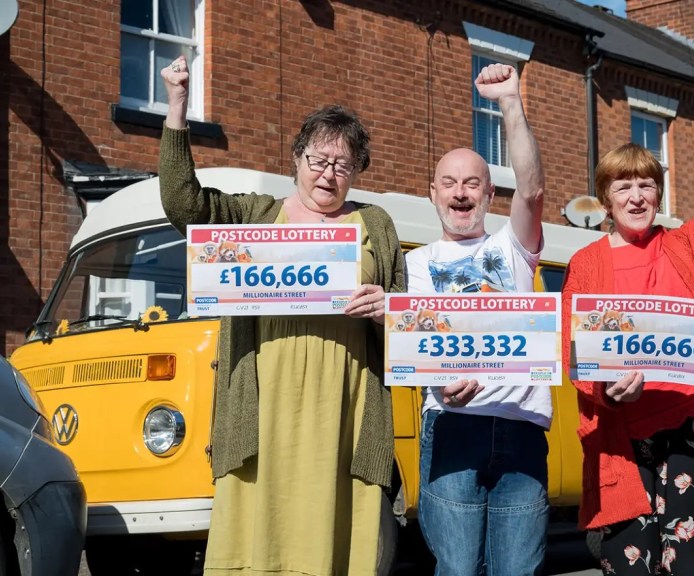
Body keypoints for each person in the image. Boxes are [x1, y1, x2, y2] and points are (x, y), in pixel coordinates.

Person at [158, 56, 405, 576]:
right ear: (296, 158)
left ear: (357, 171)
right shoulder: (255, 215)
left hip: (346, 410)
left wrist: (389, 310)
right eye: (319, 159)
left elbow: (412, 323)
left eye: (343, 164)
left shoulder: (375, 225)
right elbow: (183, 204)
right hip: (263, 407)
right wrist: (178, 104)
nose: (329, 174)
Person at [561, 78, 694, 576]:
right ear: (605, 199)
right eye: (623, 186)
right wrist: (608, 390)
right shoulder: (586, 263)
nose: (636, 196)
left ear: (659, 191)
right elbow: (574, 353)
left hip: (692, 434)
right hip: (622, 445)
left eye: (646, 184)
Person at [405, 62, 547, 576]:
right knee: (457, 569)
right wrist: (439, 382)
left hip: (521, 428)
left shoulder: (512, 247)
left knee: (517, 571)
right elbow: (414, 345)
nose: (460, 193)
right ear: (433, 193)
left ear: (490, 195)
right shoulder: (414, 265)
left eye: (472, 183)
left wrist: (509, 101)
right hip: (450, 427)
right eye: (449, 183)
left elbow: (530, 191)